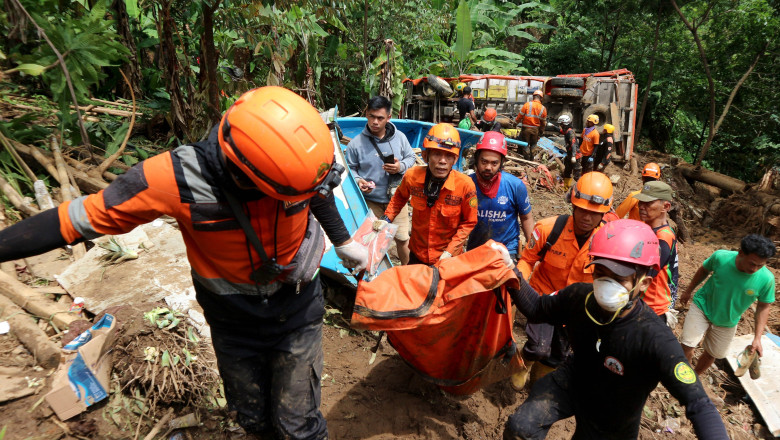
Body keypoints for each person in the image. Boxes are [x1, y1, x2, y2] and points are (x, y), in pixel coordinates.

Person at [0, 87, 369, 440]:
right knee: (251, 416)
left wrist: (344, 241)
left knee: (298, 425)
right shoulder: (173, 178)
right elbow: (75, 220)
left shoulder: (296, 165)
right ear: (245, 175)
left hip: (297, 308)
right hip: (232, 321)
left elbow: (313, 188)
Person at [503, 219, 729, 440]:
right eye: (600, 273)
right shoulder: (579, 297)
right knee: (520, 428)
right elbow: (537, 308)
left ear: (644, 283)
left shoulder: (654, 339)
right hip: (572, 381)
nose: (605, 284)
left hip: (614, 416)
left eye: (618, 278)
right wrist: (510, 269)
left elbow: (699, 403)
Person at [512, 172, 614, 389]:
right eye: (583, 210)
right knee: (539, 347)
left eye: (594, 213)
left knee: (557, 355)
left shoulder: (608, 244)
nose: (587, 217)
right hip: (543, 299)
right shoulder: (548, 229)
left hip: (576, 309)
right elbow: (528, 260)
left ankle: (539, 383)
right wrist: (518, 285)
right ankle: (523, 363)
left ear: (604, 213)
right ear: (573, 205)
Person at [377, 123, 478, 265]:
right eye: (437, 154)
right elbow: (400, 197)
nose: (442, 161)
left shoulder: (465, 185)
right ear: (425, 156)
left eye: (449, 156)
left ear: (455, 160)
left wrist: (450, 251)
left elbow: (469, 222)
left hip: (448, 258)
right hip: (417, 254)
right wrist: (386, 218)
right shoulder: (412, 176)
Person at [679, 234, 776, 376]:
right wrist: (688, 291)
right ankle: (683, 376)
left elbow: (763, 306)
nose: (755, 269)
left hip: (728, 320)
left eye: (760, 265)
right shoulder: (721, 258)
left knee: (713, 352)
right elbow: (704, 270)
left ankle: (696, 376)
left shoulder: (766, 279)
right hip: (703, 306)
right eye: (752, 263)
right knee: (687, 344)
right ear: (741, 253)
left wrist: (757, 338)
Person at [346, 96, 416, 264]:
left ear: (389, 118)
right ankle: (373, 275)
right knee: (371, 240)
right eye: (371, 116)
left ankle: (407, 273)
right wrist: (359, 181)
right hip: (371, 202)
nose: (375, 122)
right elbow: (350, 169)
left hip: (397, 200)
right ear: (366, 114)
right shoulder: (355, 144)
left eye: (380, 118)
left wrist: (400, 167)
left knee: (402, 239)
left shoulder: (399, 137)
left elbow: (411, 157)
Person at [467, 131, 534, 260]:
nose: (488, 167)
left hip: (507, 251)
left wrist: (532, 251)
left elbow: (526, 218)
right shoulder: (467, 184)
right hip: (476, 250)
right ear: (476, 159)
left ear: (502, 162)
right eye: (484, 161)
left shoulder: (515, 186)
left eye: (494, 163)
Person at [634, 181, 679, 326]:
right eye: (641, 202)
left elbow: (646, 274)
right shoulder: (650, 230)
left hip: (652, 309)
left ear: (665, 207)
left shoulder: (663, 237)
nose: (641, 206)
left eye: (648, 203)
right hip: (644, 304)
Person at [515, 89, 547, 160]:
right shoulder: (543, 108)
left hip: (526, 129)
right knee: (533, 144)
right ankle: (532, 159)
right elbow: (543, 122)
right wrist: (541, 130)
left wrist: (515, 123)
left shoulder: (527, 105)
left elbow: (519, 116)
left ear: (533, 97)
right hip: (535, 130)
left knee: (525, 144)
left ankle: (526, 159)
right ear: (541, 98)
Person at [557, 114, 580, 190]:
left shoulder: (570, 132)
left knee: (577, 174)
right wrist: (553, 126)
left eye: (561, 124)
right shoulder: (567, 131)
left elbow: (573, 144)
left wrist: (573, 156)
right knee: (567, 171)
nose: (560, 126)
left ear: (564, 124)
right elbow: (561, 131)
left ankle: (580, 189)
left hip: (575, 155)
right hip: (570, 154)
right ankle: (566, 187)